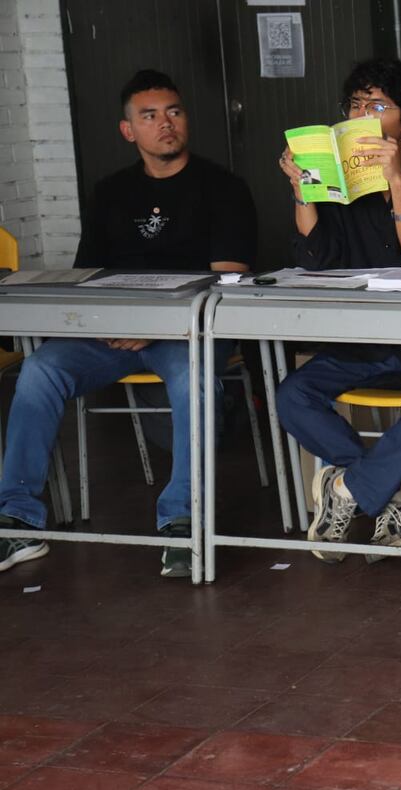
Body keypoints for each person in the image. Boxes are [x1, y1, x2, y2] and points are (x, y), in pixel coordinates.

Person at [0, 69, 256, 578]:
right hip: (113, 334)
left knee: (193, 379)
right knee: (40, 369)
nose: (166, 124)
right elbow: (90, 273)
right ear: (128, 131)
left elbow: (231, 275)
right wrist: (110, 320)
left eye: (174, 112)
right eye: (150, 116)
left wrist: (157, 325)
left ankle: (183, 521)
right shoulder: (111, 192)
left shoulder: (223, 187)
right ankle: (17, 520)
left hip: (187, 333)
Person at [275, 57, 401, 563]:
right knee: (293, 395)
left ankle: (349, 491)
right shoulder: (343, 176)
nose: (362, 114)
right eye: (355, 105)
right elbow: (317, 259)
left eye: (377, 105)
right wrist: (304, 193)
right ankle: (393, 498)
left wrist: (397, 180)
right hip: (364, 340)